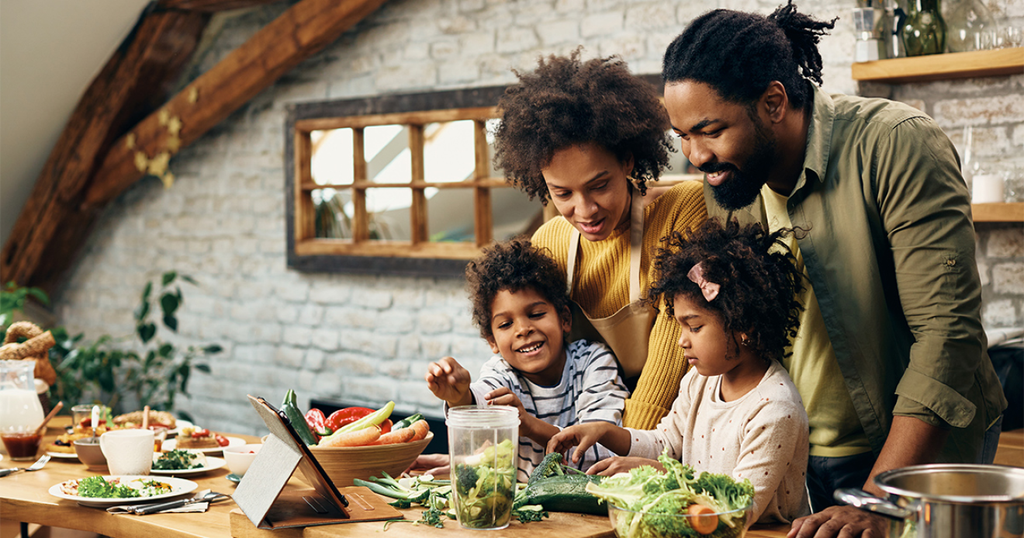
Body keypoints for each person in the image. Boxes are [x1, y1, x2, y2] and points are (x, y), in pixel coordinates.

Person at [660, 3, 1007, 536]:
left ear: (773, 101)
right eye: (681, 135)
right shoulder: (730, 181)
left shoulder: (897, 144)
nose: (695, 156)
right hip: (797, 443)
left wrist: (876, 500)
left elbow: (947, 337)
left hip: (910, 445)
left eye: (708, 130)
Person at [493, 50, 708, 431]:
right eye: (562, 193)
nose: (585, 210)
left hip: (676, 426)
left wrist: (628, 448)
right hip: (589, 430)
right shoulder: (551, 241)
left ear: (627, 161)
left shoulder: (681, 212)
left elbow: (671, 348)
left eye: (599, 185)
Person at [548, 218, 811, 525]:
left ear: (744, 325)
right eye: (680, 325)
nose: (681, 340)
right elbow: (665, 444)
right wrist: (605, 432)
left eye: (695, 327)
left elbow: (738, 509)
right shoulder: (699, 381)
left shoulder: (775, 410)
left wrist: (666, 476)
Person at [424, 237, 630, 481]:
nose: (522, 329)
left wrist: (530, 426)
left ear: (564, 318)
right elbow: (479, 405)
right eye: (506, 324)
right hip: (523, 506)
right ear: (492, 341)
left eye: (536, 314)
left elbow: (602, 451)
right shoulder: (501, 373)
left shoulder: (594, 362)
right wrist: (459, 397)